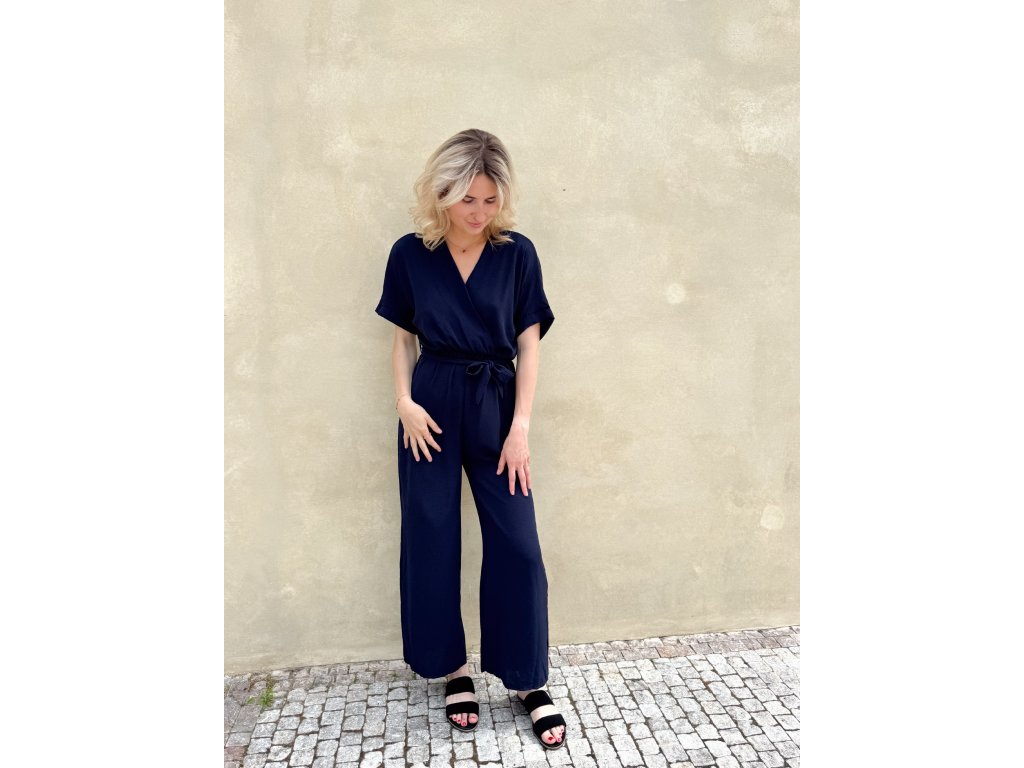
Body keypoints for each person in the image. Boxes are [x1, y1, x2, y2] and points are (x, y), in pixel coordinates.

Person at [374, 129, 567, 750]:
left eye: (489, 199)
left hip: (497, 404)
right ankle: (453, 670)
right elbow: (403, 338)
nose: (479, 212)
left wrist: (521, 427)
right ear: (442, 193)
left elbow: (529, 346)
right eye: (467, 199)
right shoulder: (411, 254)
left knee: (519, 545)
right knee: (430, 535)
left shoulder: (517, 254)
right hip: (429, 405)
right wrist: (404, 403)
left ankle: (526, 679)